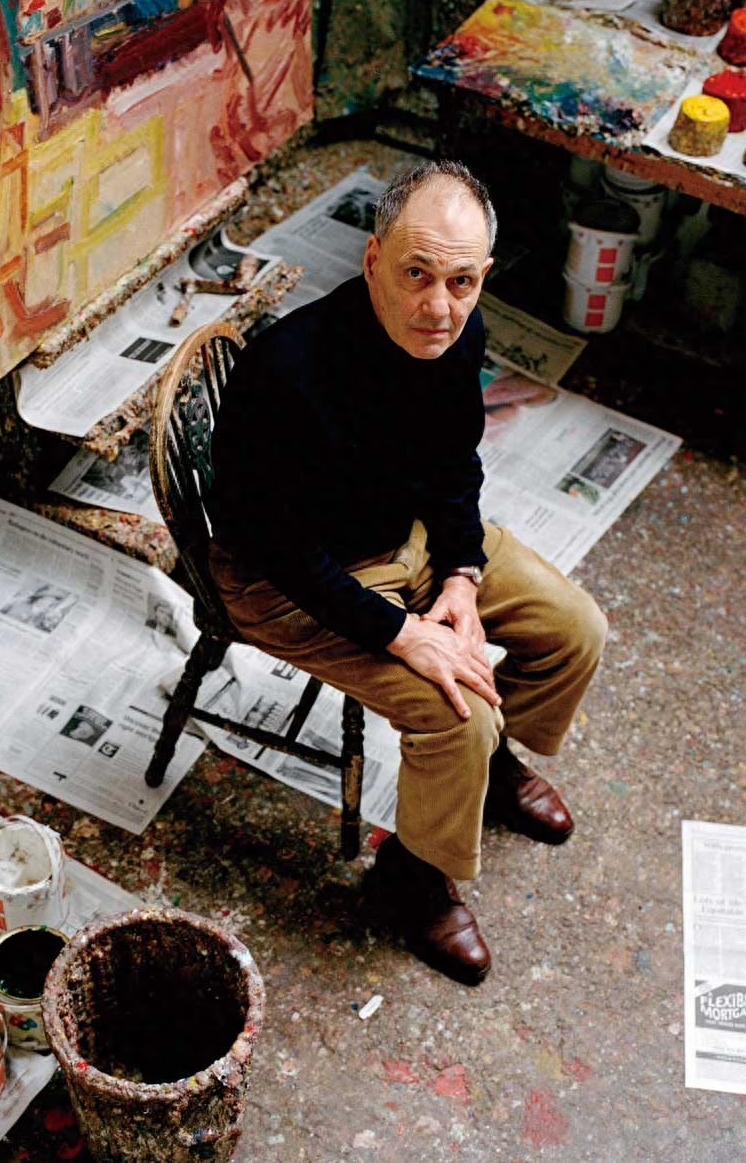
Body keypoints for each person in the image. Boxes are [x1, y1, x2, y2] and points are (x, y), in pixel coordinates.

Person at [206, 160, 607, 985]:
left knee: (576, 629)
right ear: (372, 260)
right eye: (416, 274)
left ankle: (486, 771)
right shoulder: (286, 373)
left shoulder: (457, 334)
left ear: (482, 276)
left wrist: (460, 575)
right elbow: (277, 547)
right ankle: (411, 876)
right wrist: (399, 634)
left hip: (405, 532)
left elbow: (454, 464)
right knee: (457, 715)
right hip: (288, 578)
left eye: (461, 282)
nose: (438, 306)